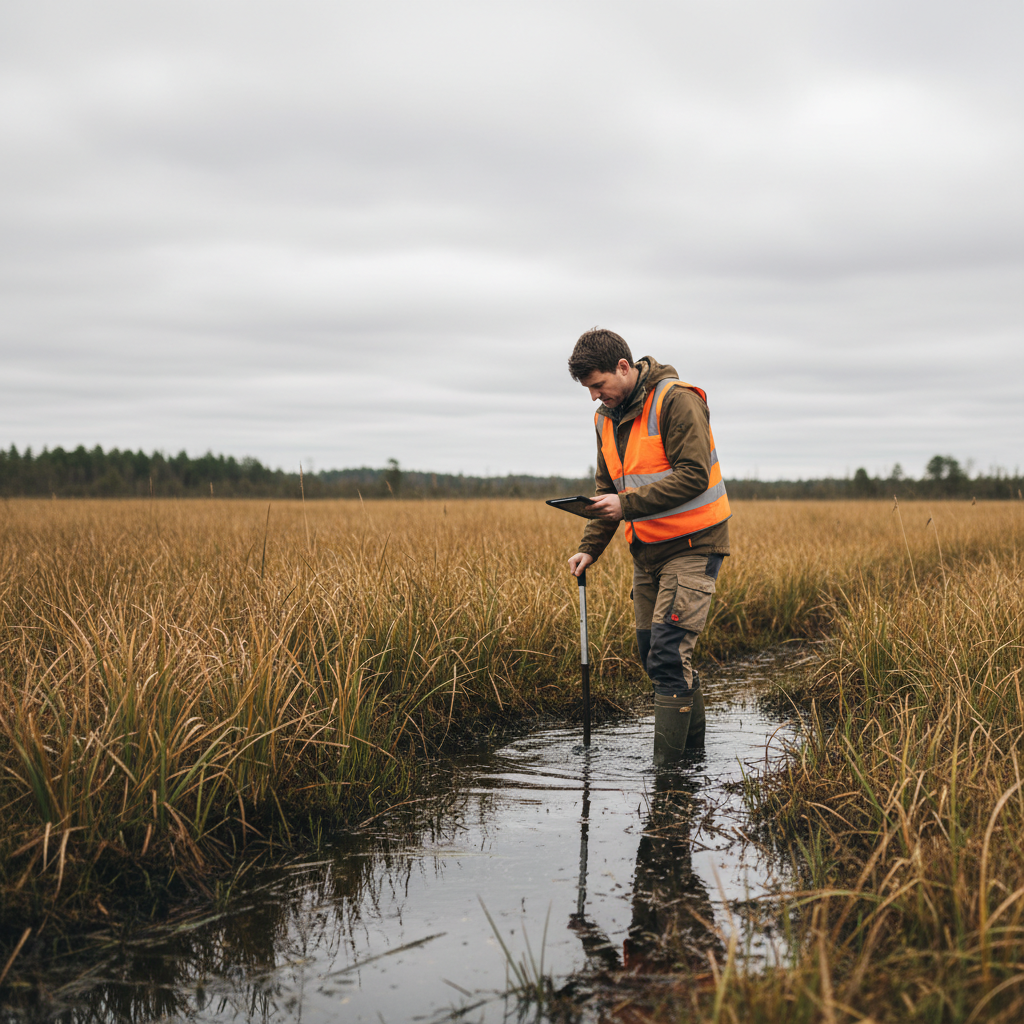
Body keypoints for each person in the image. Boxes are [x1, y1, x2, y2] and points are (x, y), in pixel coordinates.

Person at [565, 328, 731, 761]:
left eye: (599, 385)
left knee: (668, 657)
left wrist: (626, 505)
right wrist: (590, 548)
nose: (595, 397)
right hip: (648, 552)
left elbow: (694, 474)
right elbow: (609, 491)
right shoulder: (605, 418)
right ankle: (692, 761)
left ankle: (668, 775)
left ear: (624, 367)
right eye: (589, 390)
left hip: (694, 544)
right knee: (652, 654)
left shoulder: (677, 400)